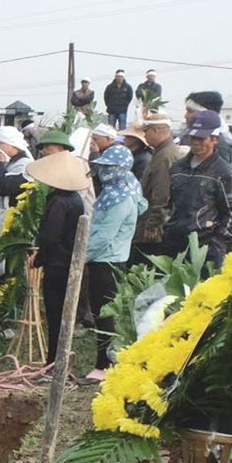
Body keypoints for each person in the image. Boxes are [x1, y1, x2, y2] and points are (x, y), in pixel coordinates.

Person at [83, 140, 144, 382]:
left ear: (121, 169)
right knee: (101, 313)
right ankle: (104, 360)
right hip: (103, 260)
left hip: (108, 262)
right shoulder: (115, 192)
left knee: (104, 315)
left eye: (110, 167)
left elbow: (104, 236)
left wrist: (79, 258)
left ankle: (103, 364)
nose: (104, 171)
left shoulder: (121, 198)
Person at [28, 152, 91, 370]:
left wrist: (39, 259)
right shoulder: (74, 199)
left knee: (55, 316)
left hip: (57, 264)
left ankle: (54, 362)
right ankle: (57, 360)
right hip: (68, 262)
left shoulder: (59, 202)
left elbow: (50, 236)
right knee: (61, 316)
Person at [159, 110, 232, 268]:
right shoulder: (178, 167)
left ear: (214, 139)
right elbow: (168, 202)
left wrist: (218, 242)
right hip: (174, 243)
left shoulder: (224, 171)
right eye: (193, 138)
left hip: (206, 247)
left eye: (201, 138)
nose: (195, 142)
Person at [133, 112, 179, 260]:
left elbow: (162, 193)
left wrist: (153, 224)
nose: (144, 136)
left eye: (146, 131)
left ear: (156, 130)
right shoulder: (161, 152)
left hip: (154, 225)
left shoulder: (164, 156)